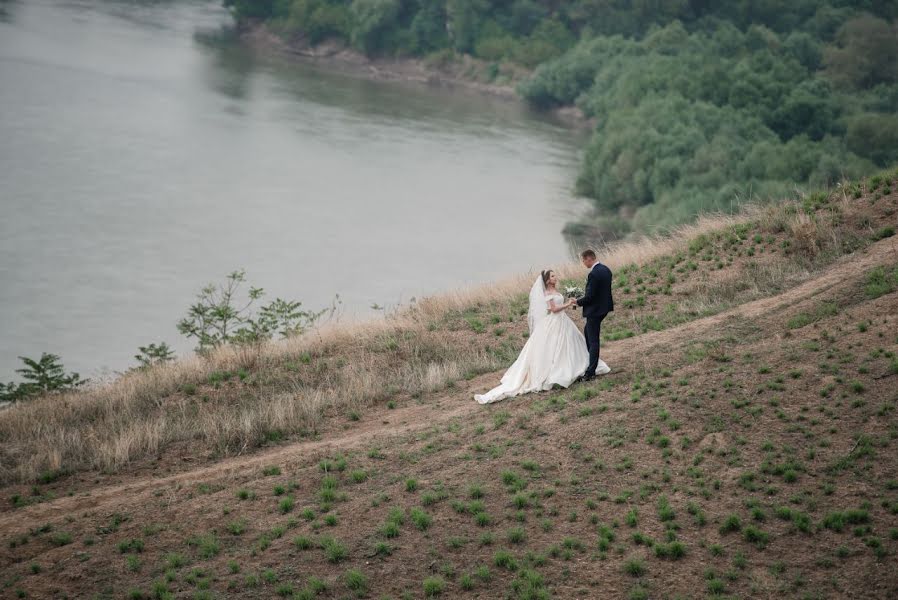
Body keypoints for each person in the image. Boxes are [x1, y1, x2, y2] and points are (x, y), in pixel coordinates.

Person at [474, 269, 589, 404]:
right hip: (555, 320)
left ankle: (574, 366)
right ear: (547, 280)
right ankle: (557, 373)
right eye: (552, 276)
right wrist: (568, 304)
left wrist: (570, 301)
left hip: (563, 321)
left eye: (555, 275)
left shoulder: (556, 291)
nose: (555, 277)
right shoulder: (547, 293)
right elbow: (553, 309)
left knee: (568, 343)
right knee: (554, 346)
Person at [576, 249, 614, 381]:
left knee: (593, 340)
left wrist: (577, 301)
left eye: (583, 260)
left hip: (595, 311)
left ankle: (591, 371)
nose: (583, 263)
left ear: (588, 258)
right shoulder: (606, 269)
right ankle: (592, 361)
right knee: (587, 332)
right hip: (604, 308)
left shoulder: (593, 274)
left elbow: (591, 296)